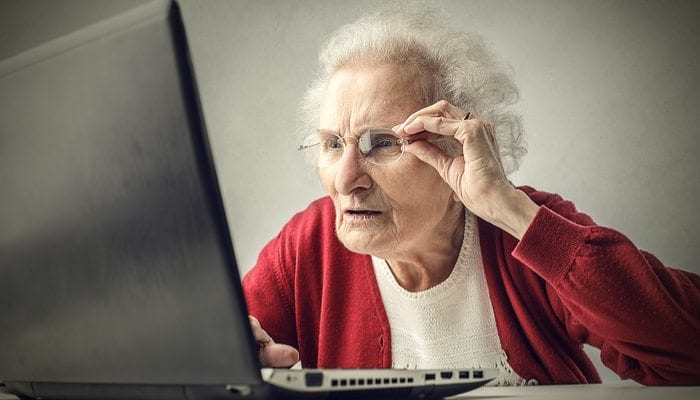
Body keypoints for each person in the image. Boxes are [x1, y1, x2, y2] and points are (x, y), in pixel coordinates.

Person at [241, 8, 700, 386]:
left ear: (456, 144)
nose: (346, 180)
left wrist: (510, 209)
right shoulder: (309, 245)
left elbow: (684, 354)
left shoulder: (525, 232)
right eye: (332, 144)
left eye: (382, 142)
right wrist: (240, 353)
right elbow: (210, 356)